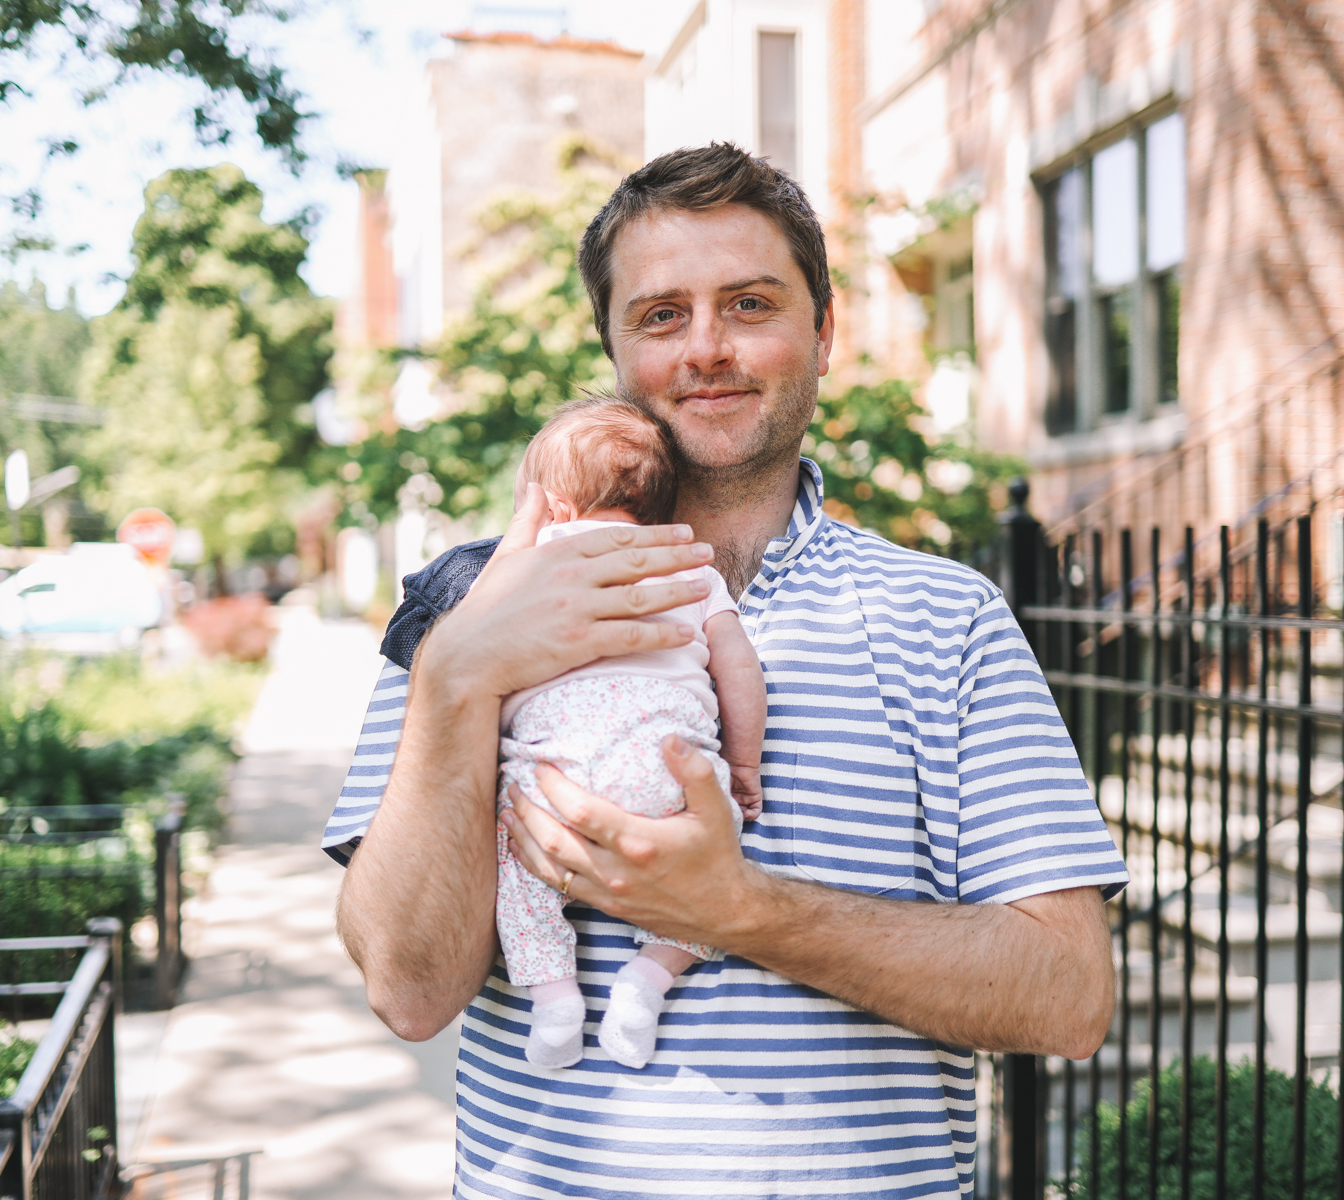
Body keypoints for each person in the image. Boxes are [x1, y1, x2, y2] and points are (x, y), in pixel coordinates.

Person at [325, 142, 1128, 1198]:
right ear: (611, 343)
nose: (706, 348)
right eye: (661, 315)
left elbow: (1069, 995)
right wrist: (458, 675)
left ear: (825, 331)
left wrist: (737, 907)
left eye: (749, 304)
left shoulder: (948, 616)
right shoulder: (465, 603)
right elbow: (412, 988)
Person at [492, 393, 766, 1072]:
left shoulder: (528, 571)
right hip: (668, 763)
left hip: (550, 770)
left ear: (551, 506)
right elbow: (739, 668)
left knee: (516, 864)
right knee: (717, 867)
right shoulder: (691, 567)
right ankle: (649, 980)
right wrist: (745, 763)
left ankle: (555, 999)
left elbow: (486, 665)